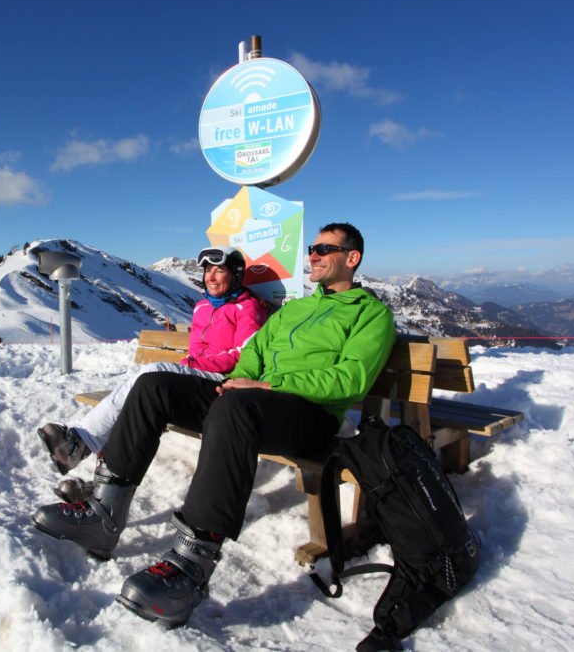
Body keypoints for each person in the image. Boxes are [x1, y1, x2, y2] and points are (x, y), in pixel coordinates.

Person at [32, 222, 396, 627]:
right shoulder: (297, 309)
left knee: (235, 407)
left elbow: (350, 381)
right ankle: (104, 515)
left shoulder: (371, 314)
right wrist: (239, 381)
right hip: (256, 397)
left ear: (352, 258)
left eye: (325, 249)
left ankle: (191, 565)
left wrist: (264, 384)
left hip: (309, 412)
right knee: (154, 386)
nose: (313, 254)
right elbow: (254, 353)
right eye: (312, 247)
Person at [37, 246, 268, 482]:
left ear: (235, 275)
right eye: (208, 270)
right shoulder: (203, 307)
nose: (210, 277)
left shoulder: (247, 307)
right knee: (143, 384)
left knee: (151, 373)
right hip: (198, 373)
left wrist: (196, 364)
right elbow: (197, 349)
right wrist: (193, 363)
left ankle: (82, 442)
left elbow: (243, 354)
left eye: (218, 271)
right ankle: (89, 452)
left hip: (223, 380)